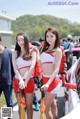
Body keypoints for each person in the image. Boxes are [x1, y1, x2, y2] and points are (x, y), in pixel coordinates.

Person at [35, 28, 62, 119]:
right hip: (45, 80)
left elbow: (56, 69)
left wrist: (48, 83)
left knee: (44, 109)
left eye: (51, 36)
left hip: (52, 81)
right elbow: (41, 65)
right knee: (52, 103)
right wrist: (37, 53)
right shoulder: (44, 49)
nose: (49, 38)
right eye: (47, 36)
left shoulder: (58, 51)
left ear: (56, 37)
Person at [12, 33, 37, 119]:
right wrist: (21, 80)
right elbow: (15, 69)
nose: (20, 42)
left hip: (26, 81)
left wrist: (24, 81)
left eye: (22, 40)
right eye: (18, 40)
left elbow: (32, 67)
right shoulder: (14, 53)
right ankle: (6, 116)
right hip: (15, 81)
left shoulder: (32, 52)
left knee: (28, 106)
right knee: (18, 106)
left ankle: (6, 116)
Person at [0, 36, 14, 108]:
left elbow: (13, 67)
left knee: (8, 102)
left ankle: (7, 117)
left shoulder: (9, 52)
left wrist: (12, 79)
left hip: (7, 82)